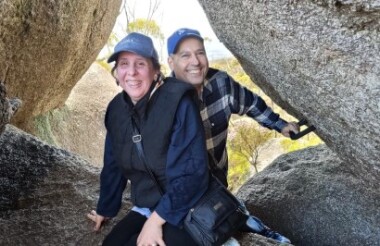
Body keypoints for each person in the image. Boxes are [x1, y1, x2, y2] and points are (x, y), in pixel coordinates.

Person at [167, 28, 300, 244]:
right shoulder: (164, 101)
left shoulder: (221, 83)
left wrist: (281, 125)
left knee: (237, 216)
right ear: (171, 62)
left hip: (219, 182)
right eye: (185, 55)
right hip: (188, 192)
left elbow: (251, 104)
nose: (196, 61)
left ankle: (269, 236)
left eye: (200, 53)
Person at [87, 32, 210, 246]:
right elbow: (113, 163)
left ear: (155, 71)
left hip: (188, 204)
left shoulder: (178, 102)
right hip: (147, 203)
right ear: (116, 72)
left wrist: (155, 222)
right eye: (124, 64)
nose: (131, 72)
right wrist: (105, 208)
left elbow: (193, 173)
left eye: (140, 64)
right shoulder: (117, 109)